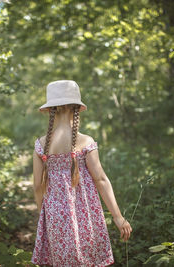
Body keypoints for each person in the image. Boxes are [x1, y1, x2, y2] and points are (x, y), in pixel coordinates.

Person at [31, 80, 132, 266]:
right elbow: (100, 179)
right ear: (76, 108)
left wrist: (42, 214)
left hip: (54, 215)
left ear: (51, 109)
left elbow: (38, 185)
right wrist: (118, 217)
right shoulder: (86, 142)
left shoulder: (40, 144)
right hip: (86, 213)